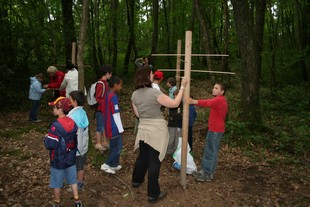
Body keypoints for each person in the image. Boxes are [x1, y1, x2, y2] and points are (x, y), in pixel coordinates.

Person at [131, 67, 188, 203]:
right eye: (151, 74)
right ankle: (153, 193)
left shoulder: (134, 94)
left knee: (143, 157)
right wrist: (183, 88)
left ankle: (136, 180)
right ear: (146, 76)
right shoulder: (154, 93)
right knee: (154, 161)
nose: (153, 75)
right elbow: (174, 103)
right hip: (157, 129)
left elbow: (138, 114)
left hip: (143, 129)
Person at [44, 97, 82, 207]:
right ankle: (77, 201)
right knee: (73, 180)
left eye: (55, 107)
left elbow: (51, 144)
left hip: (58, 159)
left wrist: (46, 137)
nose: (53, 109)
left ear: (60, 109)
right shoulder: (72, 122)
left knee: (57, 183)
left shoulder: (56, 126)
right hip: (70, 158)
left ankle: (57, 202)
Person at [185, 83, 228, 182]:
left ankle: (208, 174)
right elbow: (209, 102)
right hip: (213, 129)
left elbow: (207, 103)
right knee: (208, 150)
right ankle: (204, 170)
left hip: (216, 130)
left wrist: (193, 101)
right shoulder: (218, 99)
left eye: (216, 88)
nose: (213, 89)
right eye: (213, 87)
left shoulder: (220, 99)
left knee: (212, 152)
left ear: (222, 92)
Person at [100, 76, 124, 174]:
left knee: (113, 146)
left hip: (108, 125)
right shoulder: (113, 97)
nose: (121, 87)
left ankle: (113, 164)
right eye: (120, 85)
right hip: (114, 126)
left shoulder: (107, 95)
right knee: (118, 148)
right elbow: (116, 114)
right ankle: (106, 164)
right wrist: (120, 128)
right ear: (115, 85)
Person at [68, 91, 89, 191]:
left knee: (76, 166)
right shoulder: (83, 112)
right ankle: (79, 182)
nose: (69, 101)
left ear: (75, 101)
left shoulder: (72, 115)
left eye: (70, 100)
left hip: (75, 146)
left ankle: (78, 184)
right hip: (83, 145)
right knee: (80, 166)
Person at [94, 64, 113, 151]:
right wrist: (106, 104)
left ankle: (104, 142)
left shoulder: (106, 83)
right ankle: (98, 143)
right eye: (110, 73)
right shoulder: (100, 84)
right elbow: (98, 98)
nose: (111, 75)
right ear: (107, 73)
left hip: (105, 109)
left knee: (104, 126)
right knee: (100, 127)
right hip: (100, 110)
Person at [166, 89, 182, 155]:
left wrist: (175, 116)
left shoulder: (183, 104)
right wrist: (177, 114)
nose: (176, 98)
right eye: (174, 96)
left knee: (178, 140)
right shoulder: (172, 103)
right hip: (171, 125)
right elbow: (170, 114)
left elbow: (182, 115)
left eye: (177, 96)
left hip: (179, 125)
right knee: (170, 140)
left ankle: (176, 153)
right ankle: (169, 151)